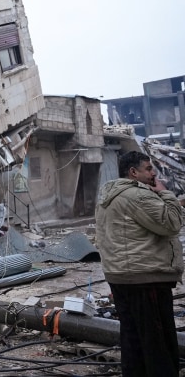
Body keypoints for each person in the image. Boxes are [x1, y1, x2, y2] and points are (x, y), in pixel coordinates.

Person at [95, 150, 183, 376]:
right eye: (149, 168)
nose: (154, 173)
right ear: (133, 172)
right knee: (158, 342)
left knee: (133, 340)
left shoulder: (111, 195)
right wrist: (166, 194)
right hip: (145, 278)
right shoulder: (138, 196)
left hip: (121, 276)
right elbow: (171, 223)